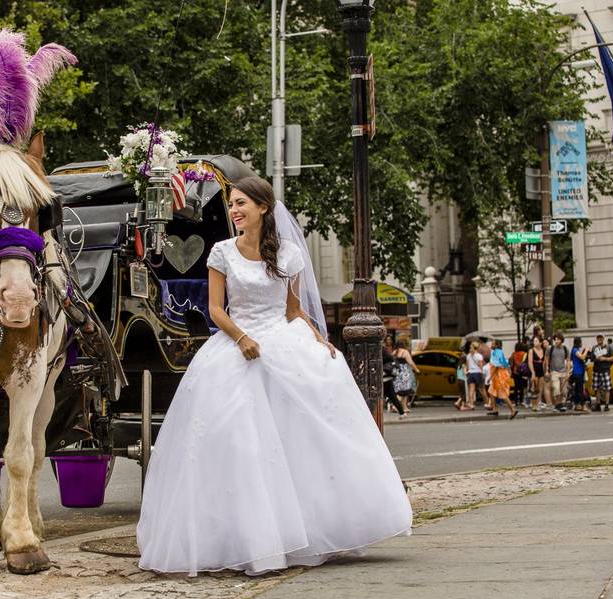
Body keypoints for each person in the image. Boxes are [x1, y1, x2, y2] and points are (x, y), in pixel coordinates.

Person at [136, 177, 411, 577]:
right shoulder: (221, 253)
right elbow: (216, 309)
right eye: (232, 204)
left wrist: (320, 340)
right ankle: (246, 536)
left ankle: (314, 527)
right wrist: (242, 338)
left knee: (302, 435)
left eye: (241, 203)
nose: (234, 210)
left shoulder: (289, 254)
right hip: (239, 342)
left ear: (263, 207)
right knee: (238, 437)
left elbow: (293, 309)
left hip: (284, 340)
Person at [488, 339, 518, 419]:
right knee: (491, 392)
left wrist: (490, 378)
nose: (491, 345)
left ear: (497, 345)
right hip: (499, 375)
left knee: (503, 395)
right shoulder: (497, 352)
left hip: (499, 376)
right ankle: (495, 409)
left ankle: (513, 410)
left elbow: (496, 366)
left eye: (492, 344)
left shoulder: (496, 353)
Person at [391, 337, 419, 414]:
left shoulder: (394, 352)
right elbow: (410, 362)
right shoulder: (405, 352)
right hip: (404, 373)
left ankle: (404, 407)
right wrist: (416, 369)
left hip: (396, 373)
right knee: (404, 391)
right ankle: (395, 406)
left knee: (401, 391)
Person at [546, 333, 570, 412]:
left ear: (561, 340)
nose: (556, 341)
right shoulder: (551, 348)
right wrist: (546, 370)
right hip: (554, 371)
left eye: (558, 339)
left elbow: (568, 361)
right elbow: (547, 359)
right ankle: (558, 405)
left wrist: (568, 372)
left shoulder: (565, 349)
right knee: (556, 388)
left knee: (564, 390)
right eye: (555, 339)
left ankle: (559, 405)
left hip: (563, 371)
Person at [591, 334, 613, 412]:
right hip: (596, 370)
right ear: (596, 339)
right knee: (596, 388)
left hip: (605, 370)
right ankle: (598, 404)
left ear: (603, 338)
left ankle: (607, 405)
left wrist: (604, 358)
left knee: (607, 388)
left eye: (601, 337)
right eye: (598, 338)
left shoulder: (608, 347)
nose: (599, 339)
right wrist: (595, 358)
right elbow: (591, 359)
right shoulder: (594, 347)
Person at [382, 348, 406, 419]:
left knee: (379, 396)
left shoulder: (380, 351)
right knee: (392, 396)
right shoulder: (386, 352)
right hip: (388, 377)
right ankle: (402, 412)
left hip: (384, 377)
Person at [569, 337, 589, 412]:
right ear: (579, 343)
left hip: (578, 372)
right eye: (581, 342)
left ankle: (577, 405)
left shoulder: (575, 350)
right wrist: (586, 350)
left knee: (577, 389)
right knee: (580, 389)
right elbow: (582, 357)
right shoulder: (575, 350)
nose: (581, 343)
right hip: (578, 372)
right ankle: (583, 405)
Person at [465, 341, 486, 410]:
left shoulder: (468, 356)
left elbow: (467, 367)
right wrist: (482, 373)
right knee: (482, 390)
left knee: (471, 390)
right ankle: (487, 403)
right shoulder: (479, 356)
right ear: (477, 347)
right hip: (478, 373)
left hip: (471, 374)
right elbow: (480, 365)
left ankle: (471, 405)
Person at [509, 341, 530, 408]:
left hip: (515, 372)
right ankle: (521, 401)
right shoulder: (524, 353)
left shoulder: (513, 354)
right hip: (523, 372)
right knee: (522, 387)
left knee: (516, 387)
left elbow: (510, 361)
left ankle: (515, 401)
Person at [529, 336, 546, 411]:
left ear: (540, 342)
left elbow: (544, 362)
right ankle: (534, 405)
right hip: (534, 370)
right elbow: (530, 362)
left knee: (539, 388)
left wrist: (545, 371)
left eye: (536, 341)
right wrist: (533, 372)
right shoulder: (531, 350)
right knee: (534, 387)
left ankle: (538, 403)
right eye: (534, 341)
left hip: (541, 370)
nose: (534, 342)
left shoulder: (543, 350)